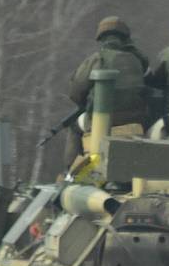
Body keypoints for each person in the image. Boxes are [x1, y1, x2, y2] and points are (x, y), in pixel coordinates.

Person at [63, 16, 150, 167]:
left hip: (103, 123)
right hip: (136, 121)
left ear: (101, 37)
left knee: (74, 126)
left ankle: (71, 172)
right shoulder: (137, 60)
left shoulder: (97, 59)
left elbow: (75, 93)